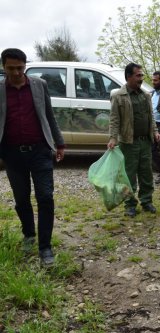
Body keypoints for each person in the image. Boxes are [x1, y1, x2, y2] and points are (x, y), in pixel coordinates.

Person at [0, 48, 65, 266]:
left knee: (45, 197)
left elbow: (49, 115)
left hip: (40, 150)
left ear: (25, 65)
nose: (16, 72)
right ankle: (29, 234)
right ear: (3, 67)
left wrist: (60, 142)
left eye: (20, 67)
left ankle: (45, 247)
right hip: (11, 153)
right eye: (11, 68)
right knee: (21, 199)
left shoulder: (39, 85)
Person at [108, 63, 160, 217]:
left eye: (142, 75)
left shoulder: (146, 95)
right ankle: (130, 204)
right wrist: (113, 138)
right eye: (138, 75)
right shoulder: (119, 96)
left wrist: (155, 132)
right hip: (128, 143)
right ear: (128, 77)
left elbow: (150, 118)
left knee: (146, 174)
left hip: (145, 142)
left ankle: (146, 201)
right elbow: (114, 119)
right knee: (129, 175)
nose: (141, 78)